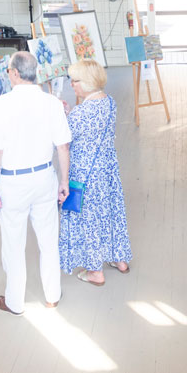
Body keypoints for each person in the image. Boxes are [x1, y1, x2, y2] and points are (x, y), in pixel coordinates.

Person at [0, 51, 71, 315]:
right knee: (48, 240)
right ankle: (52, 295)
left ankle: (15, 302)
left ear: (16, 73)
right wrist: (64, 180)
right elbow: (63, 146)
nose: (8, 74)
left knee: (13, 242)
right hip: (45, 177)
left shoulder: (0, 105)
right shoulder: (52, 103)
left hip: (13, 182)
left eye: (9, 70)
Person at [60, 60, 132, 286]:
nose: (72, 85)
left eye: (75, 80)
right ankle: (120, 259)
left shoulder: (81, 114)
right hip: (107, 169)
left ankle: (94, 271)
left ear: (88, 82)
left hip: (84, 174)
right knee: (111, 211)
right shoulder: (109, 103)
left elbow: (65, 141)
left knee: (88, 218)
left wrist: (65, 116)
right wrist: (71, 113)